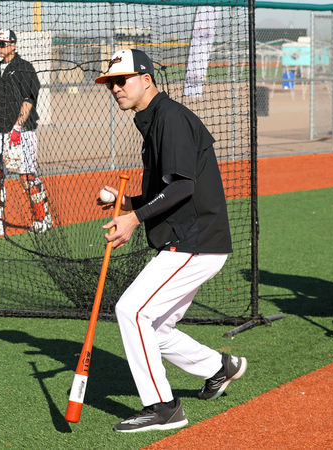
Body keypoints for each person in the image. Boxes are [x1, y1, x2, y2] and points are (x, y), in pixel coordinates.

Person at [94, 49, 247, 433]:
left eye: (122, 80)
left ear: (146, 79)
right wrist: (126, 202)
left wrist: (133, 219)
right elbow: (167, 190)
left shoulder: (171, 118)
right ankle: (218, 367)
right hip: (193, 241)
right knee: (156, 328)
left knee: (131, 311)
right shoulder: (155, 120)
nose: (115, 88)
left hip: (193, 242)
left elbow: (183, 186)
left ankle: (164, 407)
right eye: (111, 82)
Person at [0, 29, 52, 237]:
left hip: (22, 132)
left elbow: (28, 100)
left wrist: (17, 128)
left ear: (13, 45)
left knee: (26, 177)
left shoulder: (24, 68)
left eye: (2, 44)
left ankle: (42, 218)